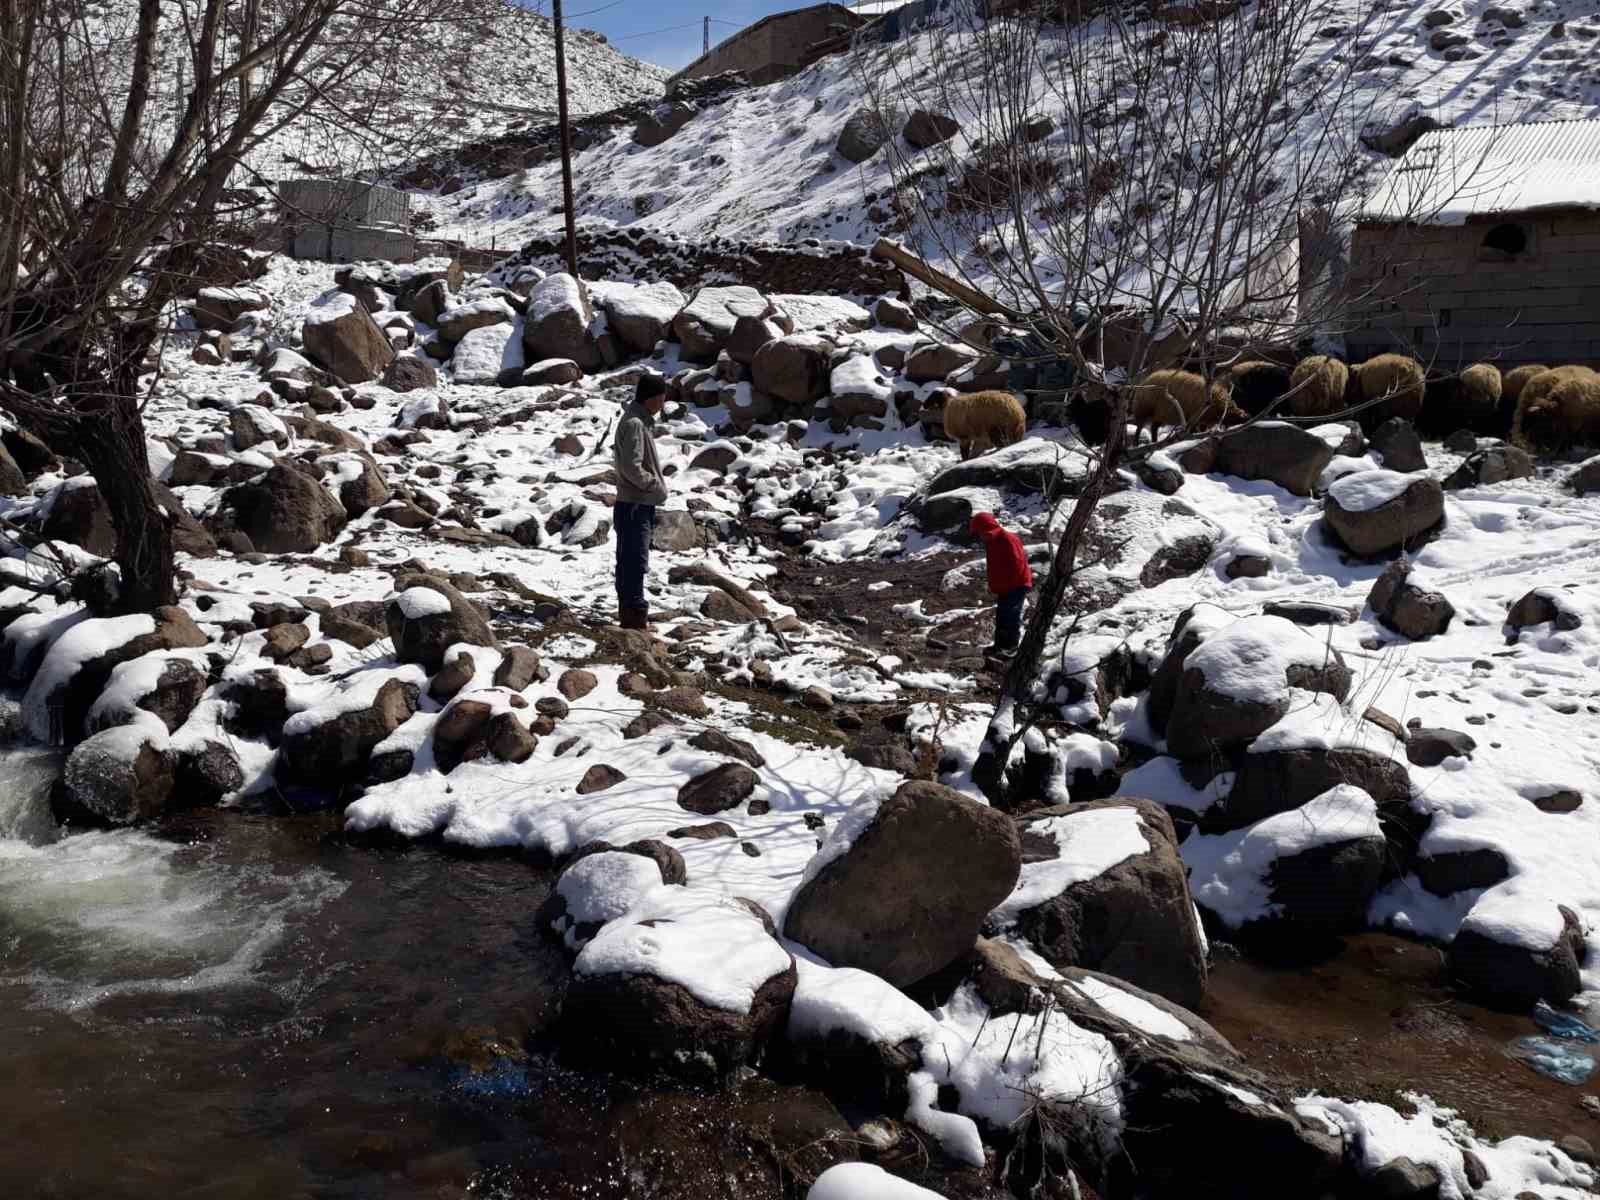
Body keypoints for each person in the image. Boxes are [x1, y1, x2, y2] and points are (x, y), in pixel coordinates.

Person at [612, 373, 669, 629]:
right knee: (635, 561)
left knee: (629, 560)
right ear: (651, 398)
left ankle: (631, 616)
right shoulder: (636, 423)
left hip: (632, 503)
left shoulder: (638, 420)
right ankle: (635, 620)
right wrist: (653, 484)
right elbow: (630, 467)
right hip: (635, 503)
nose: (663, 403)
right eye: (661, 398)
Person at [969, 511, 1033, 655]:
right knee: (1002, 615)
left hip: (1016, 584)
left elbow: (1016, 565)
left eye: (980, 532)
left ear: (987, 528)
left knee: (1011, 615)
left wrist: (1005, 585)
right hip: (1006, 586)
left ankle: (1010, 648)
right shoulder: (992, 541)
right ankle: (999, 646)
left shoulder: (1008, 539)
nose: (980, 536)